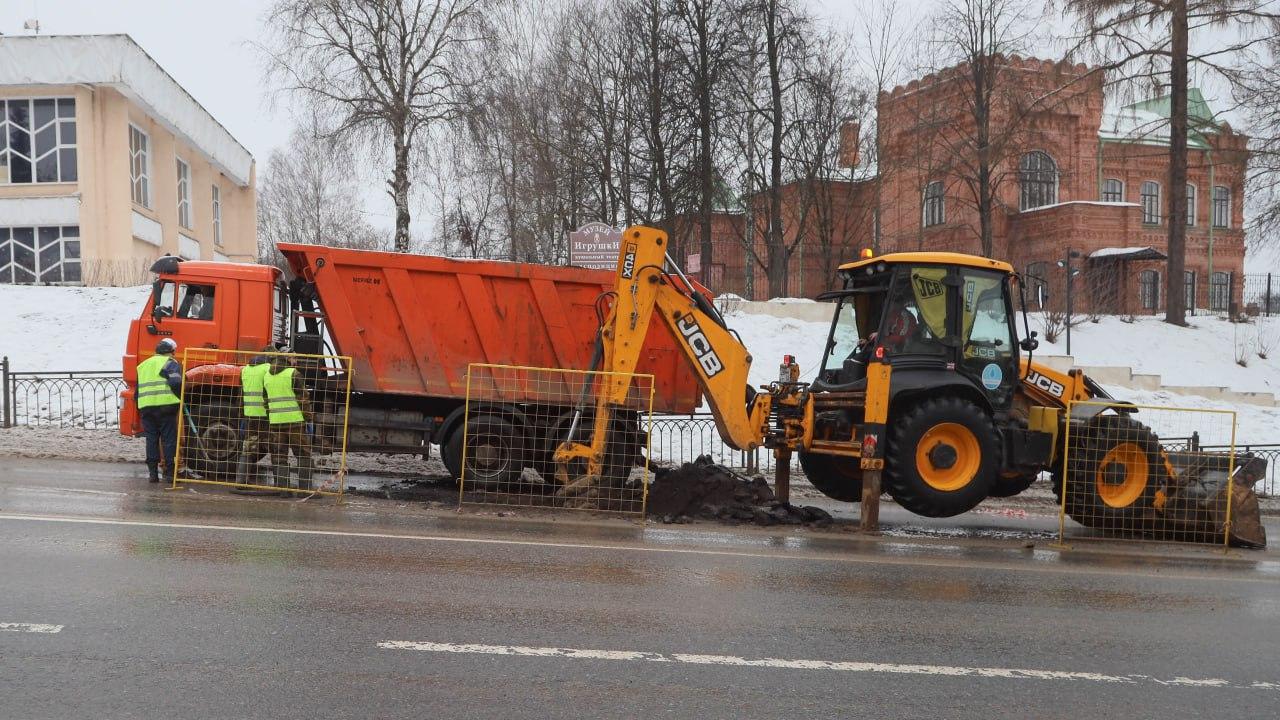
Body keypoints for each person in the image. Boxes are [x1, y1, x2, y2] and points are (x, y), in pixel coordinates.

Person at [136, 338, 183, 482]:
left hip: (146, 407)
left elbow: (137, 391)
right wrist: (179, 396)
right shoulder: (169, 363)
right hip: (166, 406)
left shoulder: (142, 365)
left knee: (151, 439)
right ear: (171, 352)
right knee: (168, 439)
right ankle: (169, 474)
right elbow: (176, 382)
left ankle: (153, 474)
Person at [265, 355, 314, 492]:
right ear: (287, 360)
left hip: (276, 422)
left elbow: (265, 400)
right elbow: (303, 399)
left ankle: (283, 491)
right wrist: (308, 419)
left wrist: (272, 416)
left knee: (279, 456)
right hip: (295, 422)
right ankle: (304, 490)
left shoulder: (267, 375)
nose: (295, 361)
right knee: (303, 454)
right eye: (293, 358)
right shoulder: (293, 373)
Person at [234, 348, 274, 485]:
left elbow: (241, 394)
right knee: (276, 449)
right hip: (266, 416)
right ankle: (281, 486)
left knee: (248, 448)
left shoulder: (245, 369)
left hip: (250, 415)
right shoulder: (268, 368)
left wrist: (240, 413)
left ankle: (240, 481)